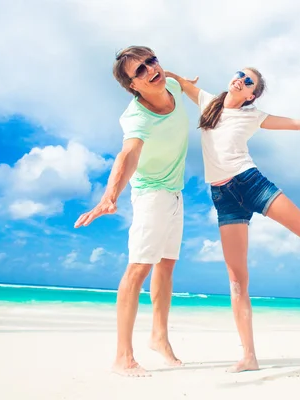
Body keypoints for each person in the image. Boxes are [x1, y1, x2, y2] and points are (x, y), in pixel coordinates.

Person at [165, 68, 300, 372]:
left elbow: (298, 124)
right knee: (237, 281)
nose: (240, 79)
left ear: (251, 95)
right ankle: (249, 357)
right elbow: (177, 82)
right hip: (223, 197)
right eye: (240, 73)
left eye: (248, 81)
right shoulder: (208, 101)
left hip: (252, 184)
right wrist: (159, 69)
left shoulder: (253, 115)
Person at [74, 46, 194, 377]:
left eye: (151, 62)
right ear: (133, 86)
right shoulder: (137, 117)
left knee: (166, 266)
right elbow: (128, 154)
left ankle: (158, 337)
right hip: (151, 194)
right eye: (138, 71)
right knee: (138, 269)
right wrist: (109, 196)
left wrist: (186, 79)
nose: (150, 70)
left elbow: (174, 78)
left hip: (175, 192)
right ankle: (123, 357)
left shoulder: (168, 84)